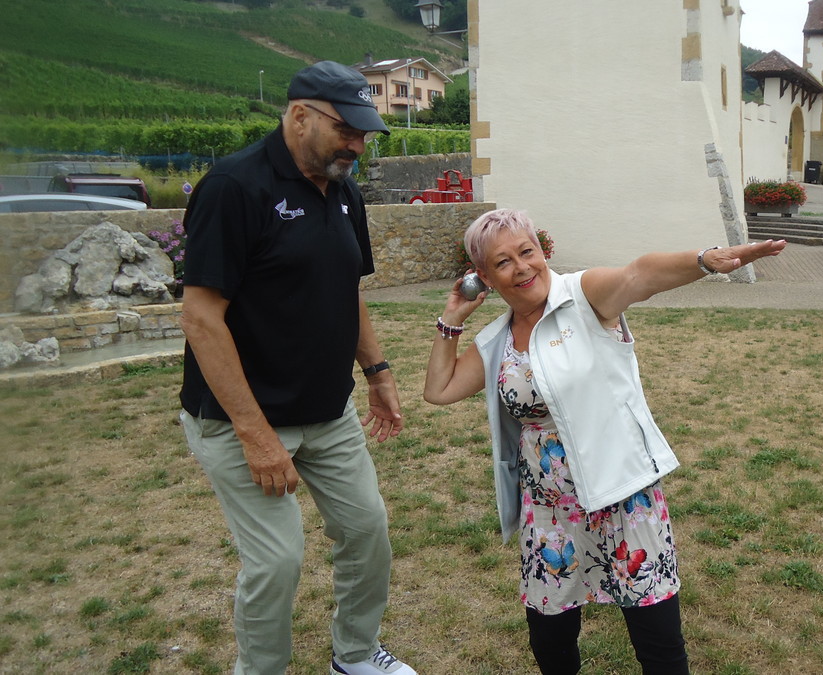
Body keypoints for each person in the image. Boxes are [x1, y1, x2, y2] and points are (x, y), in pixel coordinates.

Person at [423, 209, 786, 674]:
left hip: (623, 497)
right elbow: (439, 390)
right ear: (486, 278)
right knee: (551, 642)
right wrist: (452, 319)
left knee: (657, 643)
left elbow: (639, 274)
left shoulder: (584, 296)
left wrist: (703, 260)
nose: (521, 267)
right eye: (502, 262)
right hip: (551, 513)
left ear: (542, 251)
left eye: (527, 251)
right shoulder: (498, 342)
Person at [178, 61, 416, 675]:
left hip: (328, 411)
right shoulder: (234, 188)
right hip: (243, 421)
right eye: (346, 131)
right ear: (300, 115)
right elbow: (201, 318)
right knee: (277, 561)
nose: (357, 146)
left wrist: (378, 373)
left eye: (364, 134)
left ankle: (355, 655)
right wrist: (255, 435)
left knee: (367, 531)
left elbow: (347, 289)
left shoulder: (344, 192)